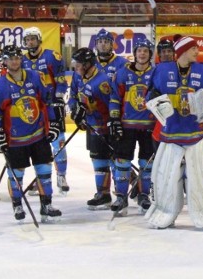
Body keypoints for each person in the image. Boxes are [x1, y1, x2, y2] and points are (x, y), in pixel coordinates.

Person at [144, 35, 203, 230]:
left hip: (197, 134)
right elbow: (149, 95)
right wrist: (152, 97)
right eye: (193, 48)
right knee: (165, 176)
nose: (198, 51)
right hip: (170, 134)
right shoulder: (162, 70)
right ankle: (163, 214)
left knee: (202, 176)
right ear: (182, 51)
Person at [0, 45, 62, 223]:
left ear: (21, 59)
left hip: (38, 134)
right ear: (4, 61)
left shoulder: (36, 77)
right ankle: (17, 204)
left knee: (44, 169)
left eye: (17, 58)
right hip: (15, 140)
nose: (14, 61)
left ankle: (46, 205)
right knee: (17, 173)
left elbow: (47, 100)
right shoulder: (0, 86)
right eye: (10, 58)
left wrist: (52, 123)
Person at [108, 39, 157, 215]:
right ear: (134, 53)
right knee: (122, 161)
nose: (142, 53)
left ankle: (144, 195)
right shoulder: (122, 73)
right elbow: (115, 98)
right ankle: (121, 196)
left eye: (145, 50)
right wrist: (114, 119)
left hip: (149, 126)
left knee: (146, 163)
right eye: (139, 50)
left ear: (150, 54)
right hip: (126, 125)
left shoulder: (156, 73)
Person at [21, 27, 70, 194]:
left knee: (59, 142)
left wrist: (58, 98)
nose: (30, 42)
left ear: (39, 39)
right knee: (38, 145)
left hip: (52, 106)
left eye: (33, 39)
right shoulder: (21, 60)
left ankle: (61, 175)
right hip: (33, 109)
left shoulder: (52, 56)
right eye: (27, 40)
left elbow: (61, 82)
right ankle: (40, 178)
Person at [68, 47, 116, 210]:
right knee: (98, 159)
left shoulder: (102, 82)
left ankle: (133, 190)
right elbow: (73, 95)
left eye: (79, 64)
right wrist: (76, 111)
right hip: (91, 127)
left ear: (88, 64)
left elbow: (111, 106)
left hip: (104, 128)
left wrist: (92, 109)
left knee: (115, 160)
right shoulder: (77, 76)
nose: (76, 67)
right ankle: (103, 194)